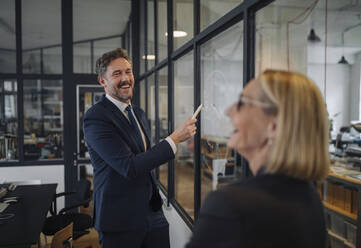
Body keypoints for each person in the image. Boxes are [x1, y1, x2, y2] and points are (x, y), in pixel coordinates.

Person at [186, 70, 329, 248]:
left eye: (241, 103)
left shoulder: (229, 205)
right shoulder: (310, 196)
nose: (229, 111)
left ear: (274, 126)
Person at [83, 48, 196, 248]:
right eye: (117, 74)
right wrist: (174, 139)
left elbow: (145, 158)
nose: (126, 78)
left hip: (152, 212)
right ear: (103, 81)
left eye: (128, 71)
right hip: (119, 220)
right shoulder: (96, 118)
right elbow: (129, 166)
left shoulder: (138, 113)